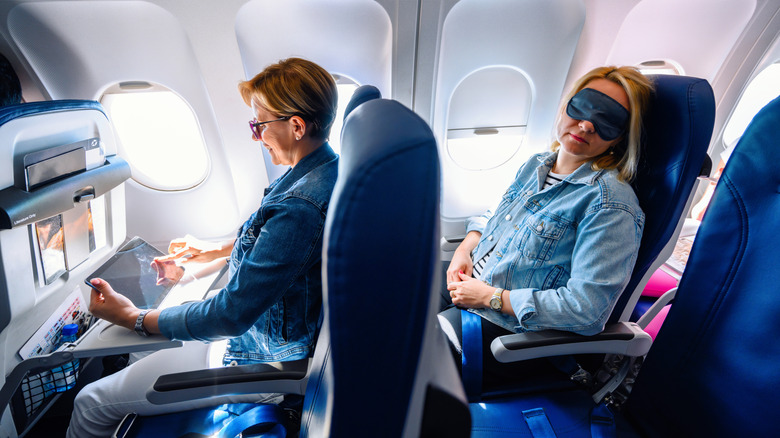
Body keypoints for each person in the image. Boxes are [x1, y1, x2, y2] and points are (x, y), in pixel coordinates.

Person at [67, 57, 339, 437]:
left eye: (259, 124)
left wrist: (134, 317)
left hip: (262, 360)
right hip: (260, 338)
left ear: (296, 126)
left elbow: (230, 315)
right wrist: (211, 251)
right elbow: (280, 247)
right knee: (135, 351)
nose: (254, 136)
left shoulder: (301, 206)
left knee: (91, 403)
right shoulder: (320, 170)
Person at [439, 66, 654, 388]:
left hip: (510, 331)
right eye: (581, 107)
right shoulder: (537, 164)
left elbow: (587, 310)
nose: (586, 124)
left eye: (607, 119)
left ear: (621, 137)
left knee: (402, 349)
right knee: (386, 295)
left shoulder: (611, 204)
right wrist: (466, 248)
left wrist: (490, 297)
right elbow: (495, 213)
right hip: (472, 285)